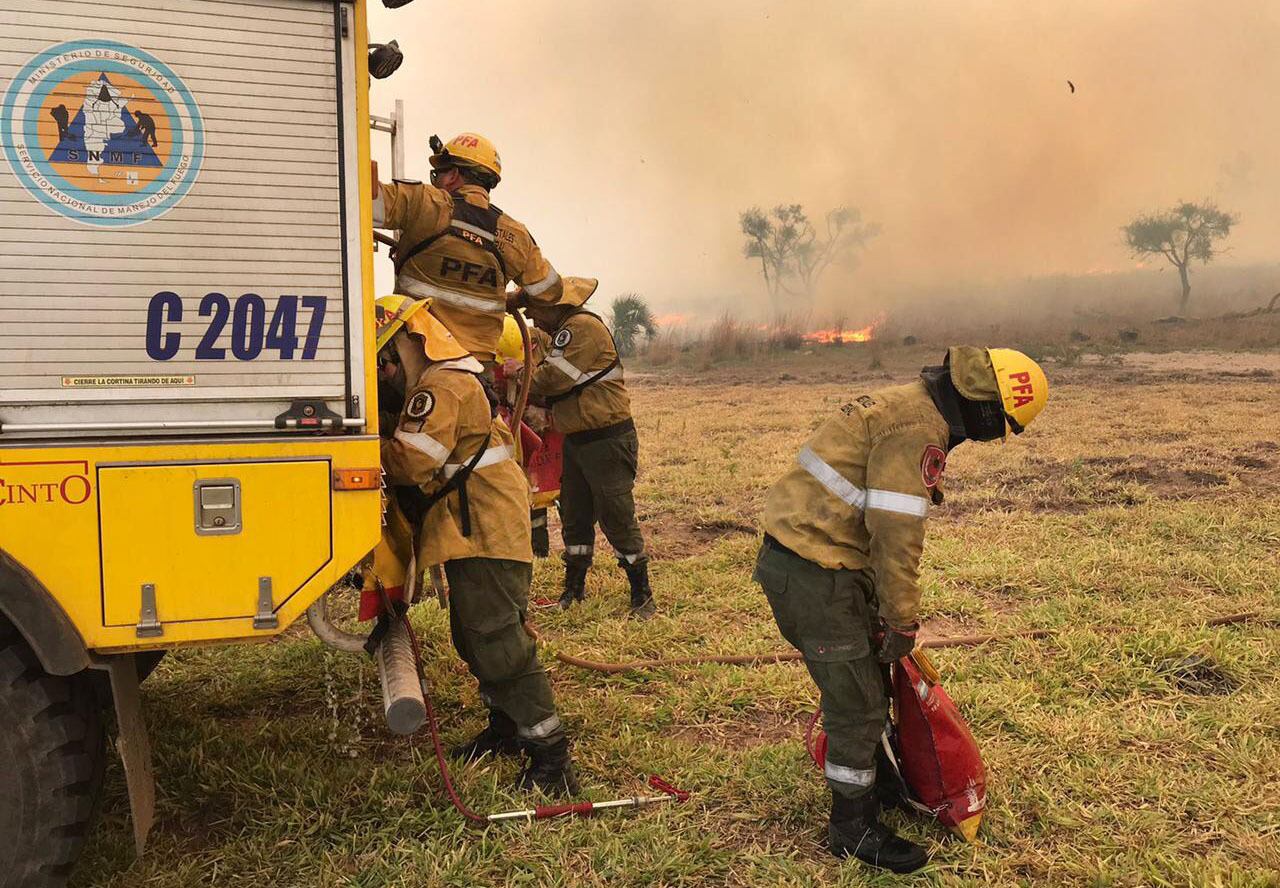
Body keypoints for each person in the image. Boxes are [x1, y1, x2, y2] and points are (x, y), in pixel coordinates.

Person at [754, 347, 1048, 872]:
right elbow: (896, 534)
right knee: (858, 706)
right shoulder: (918, 428)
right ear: (986, 408)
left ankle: (880, 783)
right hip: (815, 573)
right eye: (1002, 426)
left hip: (820, 561)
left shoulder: (907, 404)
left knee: (866, 684)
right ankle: (852, 826)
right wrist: (901, 618)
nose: (994, 437)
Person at [370, 294, 578, 795]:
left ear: (410, 343)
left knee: (498, 641)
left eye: (386, 360)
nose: (386, 373)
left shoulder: (442, 387)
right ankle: (507, 727)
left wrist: (361, 449)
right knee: (473, 636)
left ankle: (552, 757)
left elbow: (412, 461)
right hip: (473, 528)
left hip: (484, 529)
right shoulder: (447, 382)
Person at [513, 276, 656, 618]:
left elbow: (552, 379)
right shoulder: (564, 332)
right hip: (578, 440)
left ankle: (642, 594)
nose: (532, 318)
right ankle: (574, 589)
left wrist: (519, 374)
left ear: (552, 305)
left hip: (606, 440)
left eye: (534, 309)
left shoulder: (580, 328)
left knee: (616, 516)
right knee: (575, 517)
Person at [372, 133, 563, 362]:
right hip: (478, 364)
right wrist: (515, 299)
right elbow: (550, 291)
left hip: (416, 353)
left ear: (453, 175)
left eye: (439, 174)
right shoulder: (515, 235)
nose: (437, 181)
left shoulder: (425, 202)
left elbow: (363, 202)